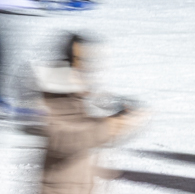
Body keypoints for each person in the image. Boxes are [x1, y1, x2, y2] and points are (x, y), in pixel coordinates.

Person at [35, 33, 146, 194]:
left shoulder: (77, 92)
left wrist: (120, 119)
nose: (90, 69)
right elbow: (61, 138)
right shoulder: (54, 93)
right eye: (85, 61)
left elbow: (85, 128)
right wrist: (110, 126)